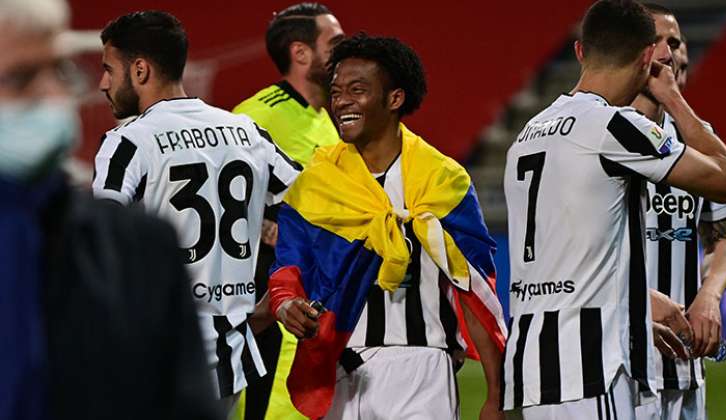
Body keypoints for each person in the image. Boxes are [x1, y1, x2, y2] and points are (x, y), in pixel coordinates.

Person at [501, 1, 726, 419]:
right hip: (592, 366)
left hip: (536, 365)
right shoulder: (611, 126)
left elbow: (564, 257)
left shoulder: (530, 132)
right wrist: (673, 97)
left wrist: (635, 300)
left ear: (580, 52)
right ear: (649, 58)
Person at [267, 34, 507, 420]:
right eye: (337, 91)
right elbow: (288, 265)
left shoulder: (442, 180)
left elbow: (475, 289)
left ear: (394, 99)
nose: (341, 101)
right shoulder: (317, 181)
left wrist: (495, 395)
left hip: (421, 369)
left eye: (357, 90)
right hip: (340, 368)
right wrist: (285, 303)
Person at [0, 1, 220, 419]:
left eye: (61, 71)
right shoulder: (245, 128)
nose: (53, 95)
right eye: (22, 77)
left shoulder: (140, 247)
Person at [90, 11, 301, 417]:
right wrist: (274, 295)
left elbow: (101, 245)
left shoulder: (128, 143)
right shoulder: (247, 133)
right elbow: (314, 207)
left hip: (156, 355)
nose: (102, 83)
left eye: (107, 69)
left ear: (140, 69)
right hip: (229, 354)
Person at [231, 4, 343, 418]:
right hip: (270, 293)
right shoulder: (257, 114)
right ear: (301, 53)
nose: (343, 50)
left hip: (314, 294)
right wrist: (262, 226)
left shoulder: (324, 120)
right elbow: (221, 194)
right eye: (334, 42)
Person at [633, 4, 726, 419]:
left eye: (674, 42)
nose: (667, 52)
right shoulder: (600, 135)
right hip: (623, 367)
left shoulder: (700, 143)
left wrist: (709, 297)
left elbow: (721, 240)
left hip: (685, 369)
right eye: (654, 41)